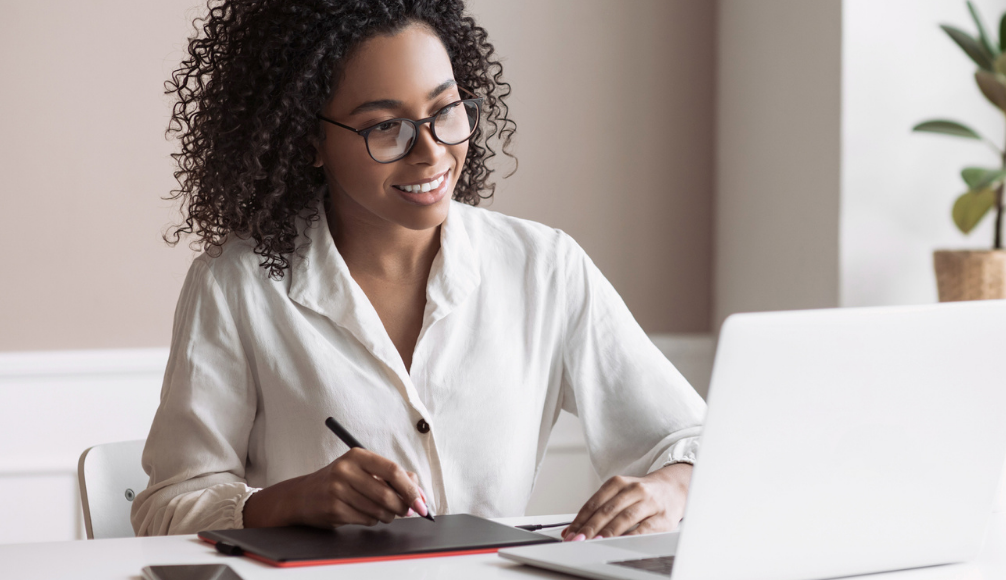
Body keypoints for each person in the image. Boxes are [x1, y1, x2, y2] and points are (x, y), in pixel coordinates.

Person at [131, 0, 705, 543]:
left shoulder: (544, 268)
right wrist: (285, 503)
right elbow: (165, 506)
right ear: (308, 140)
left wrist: (670, 487)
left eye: (446, 110)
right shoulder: (238, 284)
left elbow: (693, 439)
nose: (430, 152)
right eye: (386, 126)